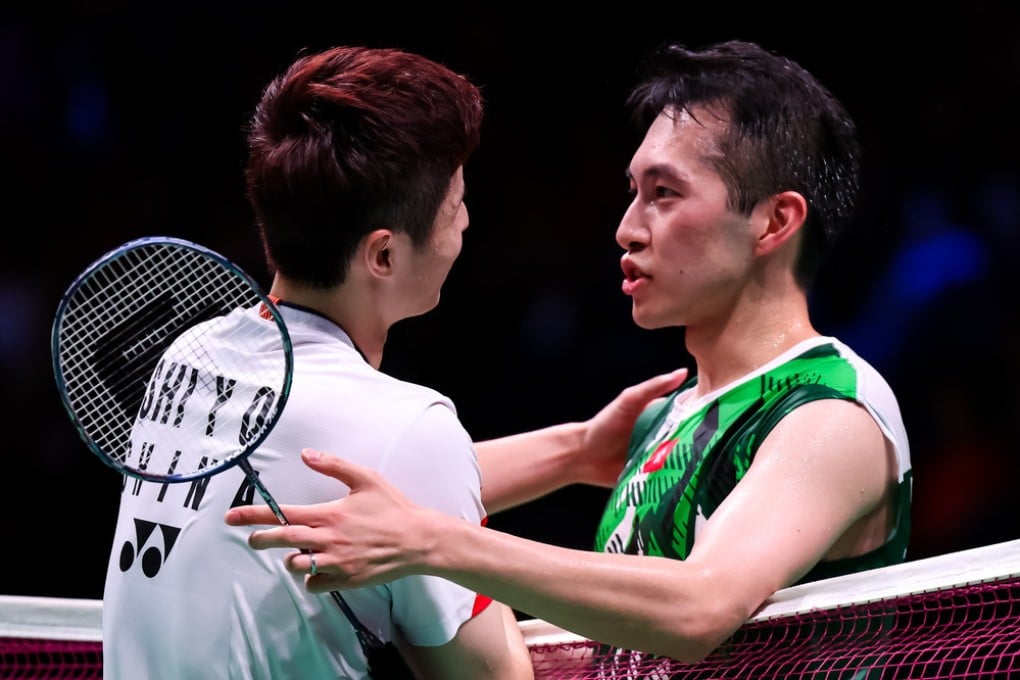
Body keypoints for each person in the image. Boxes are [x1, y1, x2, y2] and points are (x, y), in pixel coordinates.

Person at [225, 39, 913, 665]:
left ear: (774, 221)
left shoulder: (830, 412)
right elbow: (412, 476)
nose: (626, 229)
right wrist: (578, 451)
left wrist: (436, 542)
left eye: (665, 194)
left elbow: (700, 606)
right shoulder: (670, 417)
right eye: (633, 192)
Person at [101, 45, 535, 679]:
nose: (465, 223)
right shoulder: (412, 425)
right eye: (455, 207)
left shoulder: (189, 357)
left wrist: (576, 450)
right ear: (383, 256)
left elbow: (377, 472)